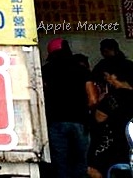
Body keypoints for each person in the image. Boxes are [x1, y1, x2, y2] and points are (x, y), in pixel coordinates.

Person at [42, 38, 99, 178]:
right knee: (80, 162)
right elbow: (93, 99)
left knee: (60, 163)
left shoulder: (45, 70)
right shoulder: (81, 70)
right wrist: (81, 109)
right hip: (80, 122)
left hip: (55, 122)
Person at [88, 58, 133, 178]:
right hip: (129, 149)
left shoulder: (112, 98)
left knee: (91, 168)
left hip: (117, 148)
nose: (106, 79)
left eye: (107, 75)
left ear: (115, 76)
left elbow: (99, 118)